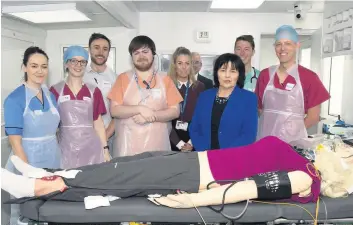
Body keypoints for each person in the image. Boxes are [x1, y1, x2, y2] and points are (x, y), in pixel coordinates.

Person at [3, 136, 352, 209]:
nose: (340, 147)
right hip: (194, 159)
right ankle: (48, 172)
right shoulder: (306, 160)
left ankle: (37, 186)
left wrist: (195, 201)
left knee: (120, 179)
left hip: (194, 176)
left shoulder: (308, 178)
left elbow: (248, 189)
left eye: (346, 151)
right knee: (120, 165)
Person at [3, 46, 61, 225]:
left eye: (44, 66)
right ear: (24, 67)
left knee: (48, 213)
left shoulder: (49, 94)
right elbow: (16, 142)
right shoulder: (15, 99)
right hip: (25, 161)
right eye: (34, 66)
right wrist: (29, 174)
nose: (39, 71)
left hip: (51, 158)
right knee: (23, 216)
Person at [108, 35, 183, 157]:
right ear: (131, 57)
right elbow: (115, 110)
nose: (141, 56)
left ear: (153, 54)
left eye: (145, 51)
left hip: (158, 147)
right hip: (127, 148)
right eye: (136, 53)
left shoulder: (165, 80)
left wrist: (152, 115)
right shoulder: (123, 79)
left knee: (157, 175)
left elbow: (175, 111)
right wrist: (139, 109)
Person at [255, 25, 330, 145]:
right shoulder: (265, 75)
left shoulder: (309, 77)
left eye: (288, 43)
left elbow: (314, 117)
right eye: (278, 44)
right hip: (264, 141)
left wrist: (293, 135)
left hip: (293, 144)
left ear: (297, 45)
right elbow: (260, 109)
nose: (282, 48)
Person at [50, 45, 110, 169]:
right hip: (65, 147)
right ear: (66, 64)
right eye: (73, 61)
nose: (78, 65)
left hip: (91, 147)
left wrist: (105, 149)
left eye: (82, 61)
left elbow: (98, 122)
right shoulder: (55, 90)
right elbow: (51, 124)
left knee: (91, 181)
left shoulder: (94, 91)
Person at [189, 53, 258, 151]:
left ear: (239, 75)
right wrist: (203, 150)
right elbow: (194, 128)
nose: (227, 75)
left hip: (234, 158)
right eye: (223, 70)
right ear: (216, 73)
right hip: (205, 155)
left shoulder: (249, 98)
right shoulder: (204, 96)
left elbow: (249, 134)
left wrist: (225, 155)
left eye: (233, 71)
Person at [84, 33, 117, 157]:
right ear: (89, 50)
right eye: (96, 47)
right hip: (84, 138)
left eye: (105, 49)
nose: (100, 52)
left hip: (109, 137)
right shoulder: (80, 76)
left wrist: (105, 137)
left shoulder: (115, 79)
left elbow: (117, 114)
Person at [168, 47, 205, 152]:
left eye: (187, 63)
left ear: (191, 65)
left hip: (194, 140)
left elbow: (203, 119)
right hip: (172, 140)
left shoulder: (200, 87)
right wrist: (179, 144)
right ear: (174, 65)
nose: (184, 67)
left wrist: (191, 143)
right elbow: (165, 122)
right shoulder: (167, 87)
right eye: (180, 63)